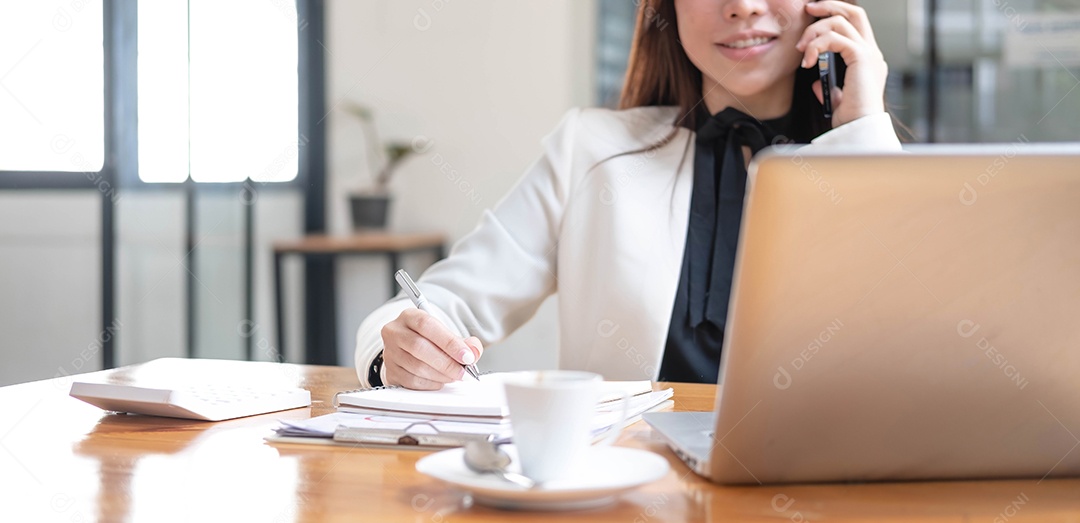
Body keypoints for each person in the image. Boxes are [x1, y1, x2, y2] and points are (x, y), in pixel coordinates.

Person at [355, 0, 901, 390]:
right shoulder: (590, 148)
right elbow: (440, 305)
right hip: (623, 488)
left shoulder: (863, 150)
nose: (742, 6)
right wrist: (395, 353)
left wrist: (863, 130)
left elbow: (911, 346)